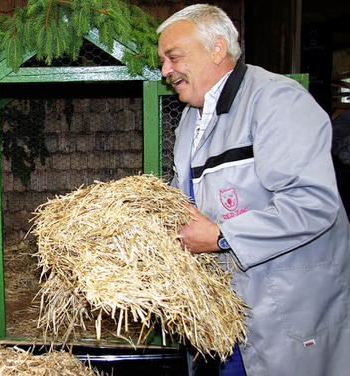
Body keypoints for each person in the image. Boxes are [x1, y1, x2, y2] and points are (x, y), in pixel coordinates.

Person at [157, 4, 350, 376]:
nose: (166, 70)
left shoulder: (277, 101)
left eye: (173, 56)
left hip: (283, 308)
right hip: (229, 312)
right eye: (164, 60)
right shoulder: (190, 119)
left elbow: (313, 204)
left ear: (216, 49)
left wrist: (220, 236)